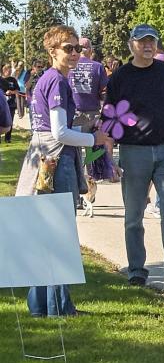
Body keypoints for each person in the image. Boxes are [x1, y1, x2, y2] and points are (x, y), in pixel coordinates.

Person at [14, 26, 110, 316]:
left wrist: (87, 130)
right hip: (55, 162)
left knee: (44, 234)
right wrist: (95, 139)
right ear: (52, 50)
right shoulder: (56, 81)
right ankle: (59, 307)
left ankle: (40, 306)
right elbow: (59, 134)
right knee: (58, 235)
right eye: (67, 48)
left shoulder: (49, 79)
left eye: (76, 48)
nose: (74, 53)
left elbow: (55, 129)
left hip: (43, 159)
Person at [103, 24, 164, 288]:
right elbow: (109, 119)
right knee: (134, 214)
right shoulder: (120, 77)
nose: (147, 46)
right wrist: (109, 158)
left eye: (152, 41)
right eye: (142, 41)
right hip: (133, 152)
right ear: (131, 45)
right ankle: (136, 269)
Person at [68, 37, 110, 212]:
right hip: (92, 115)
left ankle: (77, 195)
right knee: (91, 158)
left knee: (74, 155)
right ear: (90, 50)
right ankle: (89, 193)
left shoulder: (69, 66)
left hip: (73, 115)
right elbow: (105, 93)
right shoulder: (98, 67)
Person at [2, 64, 19, 143]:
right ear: (4, 70)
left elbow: (17, 91)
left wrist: (11, 92)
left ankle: (8, 138)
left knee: (10, 121)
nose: (9, 71)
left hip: (11, 104)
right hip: (2, 104)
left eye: (10, 70)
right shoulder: (1, 79)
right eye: (8, 70)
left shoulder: (13, 80)